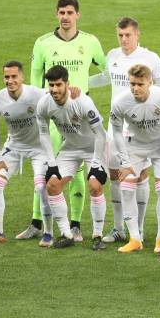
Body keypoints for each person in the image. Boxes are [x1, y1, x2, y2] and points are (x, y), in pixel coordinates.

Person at [19, 0, 106, 243]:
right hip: (53, 114)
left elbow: (109, 70)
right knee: (48, 169)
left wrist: (84, 87)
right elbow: (36, 80)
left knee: (79, 173)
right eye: (61, 13)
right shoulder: (43, 43)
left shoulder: (90, 42)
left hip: (79, 113)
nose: (65, 17)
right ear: (56, 15)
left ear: (78, 14)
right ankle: (38, 222)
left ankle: (75, 225)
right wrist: (39, 105)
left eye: (69, 12)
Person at [0, 61, 53, 247]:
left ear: (22, 77)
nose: (10, 80)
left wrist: (74, 92)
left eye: (14, 76)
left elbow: (59, 97)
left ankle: (48, 233)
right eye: (6, 77)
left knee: (40, 187)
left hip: (39, 148)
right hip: (14, 147)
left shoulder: (37, 94)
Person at [37, 65, 108, 250]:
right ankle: (66, 234)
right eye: (51, 85)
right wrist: (51, 164)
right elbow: (43, 133)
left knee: (94, 185)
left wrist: (96, 163)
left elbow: (100, 134)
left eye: (58, 85)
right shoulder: (44, 104)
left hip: (95, 147)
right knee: (52, 184)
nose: (54, 89)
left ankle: (97, 235)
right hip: (70, 148)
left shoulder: (82, 102)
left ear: (67, 84)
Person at [110, 64, 160, 253]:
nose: (135, 88)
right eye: (132, 84)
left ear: (150, 82)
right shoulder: (120, 102)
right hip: (135, 147)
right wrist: (124, 161)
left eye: (140, 84)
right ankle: (135, 239)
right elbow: (115, 131)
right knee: (126, 187)